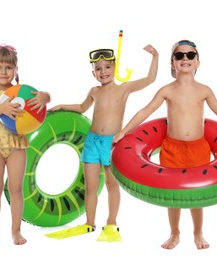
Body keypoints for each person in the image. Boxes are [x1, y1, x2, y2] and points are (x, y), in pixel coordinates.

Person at [114, 40, 217, 250]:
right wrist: (123, 131)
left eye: (190, 55)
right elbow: (145, 111)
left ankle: (198, 233)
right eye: (179, 56)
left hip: (199, 147)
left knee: (196, 195)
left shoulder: (204, 91)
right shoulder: (167, 90)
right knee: (173, 194)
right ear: (172, 63)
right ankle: (174, 233)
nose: (185, 59)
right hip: (172, 148)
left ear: (198, 62)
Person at [45, 44, 159, 242]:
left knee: (111, 184)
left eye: (107, 67)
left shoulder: (124, 88)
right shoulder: (94, 91)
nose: (103, 72)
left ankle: (111, 223)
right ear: (93, 73)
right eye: (98, 69)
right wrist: (63, 105)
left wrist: (155, 56)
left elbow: (151, 79)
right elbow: (82, 107)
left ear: (115, 68)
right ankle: (89, 223)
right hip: (92, 141)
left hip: (112, 142)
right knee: (90, 186)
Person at [0, 44, 50, 246]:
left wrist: (45, 97)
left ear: (16, 70)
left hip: (16, 144)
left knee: (16, 188)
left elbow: (44, 99)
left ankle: (16, 231)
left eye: (9, 67)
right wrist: (2, 107)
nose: (4, 72)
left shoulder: (24, 92)